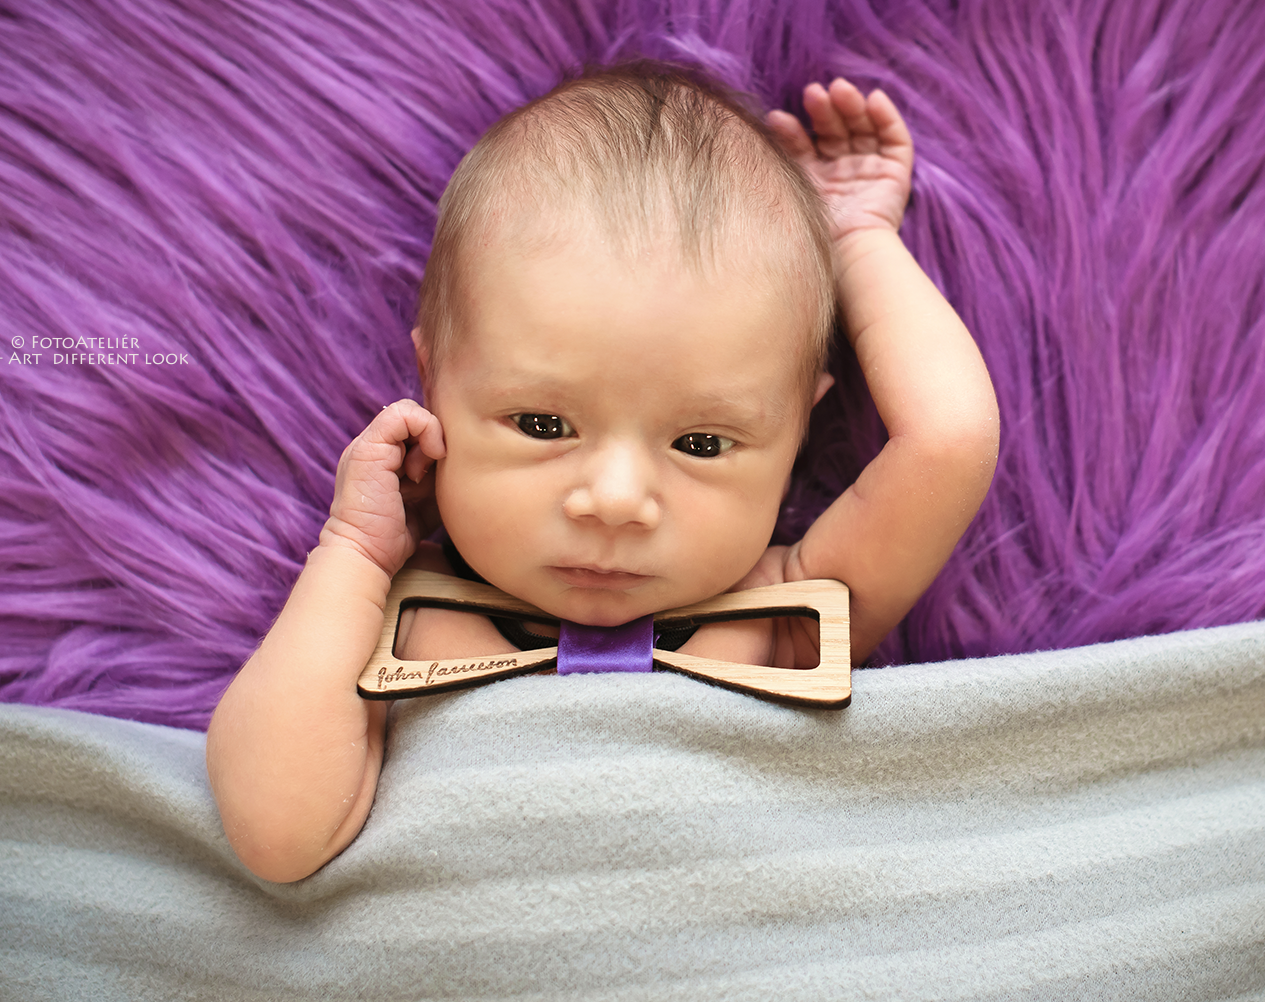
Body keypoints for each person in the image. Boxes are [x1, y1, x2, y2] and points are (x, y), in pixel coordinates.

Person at [206, 62, 999, 883]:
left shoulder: (792, 611)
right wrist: (351, 554)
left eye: (701, 443)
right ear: (433, 388)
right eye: (544, 425)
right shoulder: (392, 620)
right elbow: (277, 833)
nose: (616, 502)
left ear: (798, 431)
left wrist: (857, 242)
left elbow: (948, 440)